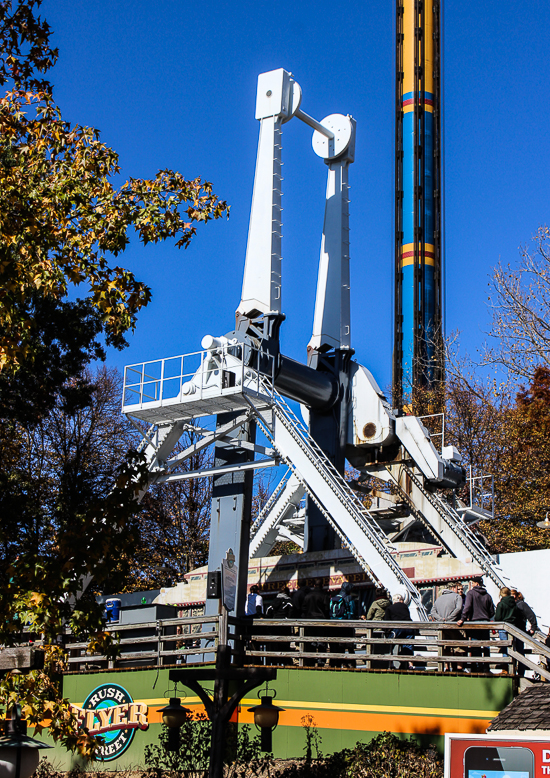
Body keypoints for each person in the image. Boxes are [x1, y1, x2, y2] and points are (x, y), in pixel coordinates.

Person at [457, 577, 494, 673]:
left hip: (475, 622)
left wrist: (463, 619)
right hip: (485, 622)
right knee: (486, 646)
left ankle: (477, 666)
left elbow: (467, 607)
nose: (472, 585)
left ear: (476, 584)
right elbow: (492, 611)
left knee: (475, 645)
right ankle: (486, 667)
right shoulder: (487, 595)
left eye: (472, 583)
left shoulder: (471, 593)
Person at [430, 583, 463, 671]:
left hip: (442, 627)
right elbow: (458, 608)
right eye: (457, 588)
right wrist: (450, 618)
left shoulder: (439, 599)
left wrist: (440, 619)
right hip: (453, 626)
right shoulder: (457, 597)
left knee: (445, 647)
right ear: (453, 588)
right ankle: (459, 668)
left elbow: (432, 612)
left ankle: (447, 667)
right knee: (458, 646)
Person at [329, 581, 357, 668]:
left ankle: (336, 664)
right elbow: (352, 612)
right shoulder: (349, 598)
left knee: (337, 646)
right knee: (349, 646)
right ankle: (351, 664)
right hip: (346, 625)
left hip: (335, 625)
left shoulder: (335, 597)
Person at [302, 578, 330, 666]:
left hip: (310, 621)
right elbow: (326, 609)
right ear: (322, 585)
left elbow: (304, 609)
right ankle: (321, 660)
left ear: (314, 585)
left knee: (312, 642)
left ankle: (311, 660)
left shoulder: (308, 596)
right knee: (321, 642)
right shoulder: (325, 595)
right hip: (322, 621)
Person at [384, 593, 415, 670]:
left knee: (390, 645)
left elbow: (386, 622)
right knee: (408, 646)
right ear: (401, 600)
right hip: (409, 628)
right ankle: (410, 664)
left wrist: (386, 632)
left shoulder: (390, 608)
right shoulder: (405, 606)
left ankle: (390, 664)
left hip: (397, 628)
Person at [265, 585, 294, 665]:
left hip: (274, 627)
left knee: (275, 645)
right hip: (285, 628)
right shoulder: (289, 602)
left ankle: (274, 663)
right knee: (285, 646)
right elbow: (292, 613)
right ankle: (285, 663)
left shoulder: (273, 602)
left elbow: (268, 613)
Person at [511, 589, 538, 678]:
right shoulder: (513, 605)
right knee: (516, 652)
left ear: (514, 596)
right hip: (515, 631)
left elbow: (531, 615)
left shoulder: (521, 604)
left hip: (519, 631)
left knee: (519, 652)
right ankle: (516, 672)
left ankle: (520, 674)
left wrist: (533, 627)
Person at [494, 586, 520, 673]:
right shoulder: (514, 604)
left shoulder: (501, 604)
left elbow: (497, 617)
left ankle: (505, 668)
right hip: (512, 627)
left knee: (505, 647)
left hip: (503, 627)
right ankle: (513, 667)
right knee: (512, 648)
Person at [365, 587, 391, 669]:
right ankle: (384, 663)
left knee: (374, 647)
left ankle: (374, 663)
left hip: (376, 628)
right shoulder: (389, 603)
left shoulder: (375, 603)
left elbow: (369, 616)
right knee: (384, 647)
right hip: (385, 628)